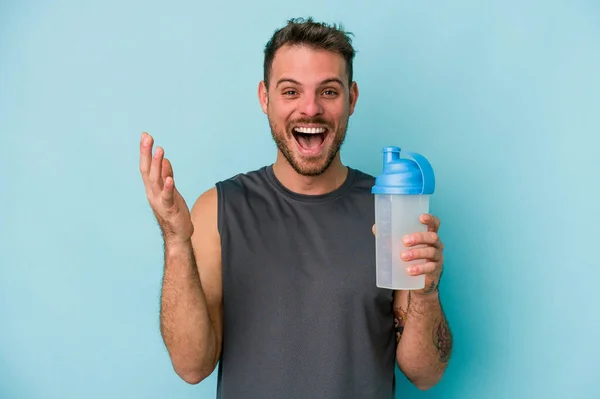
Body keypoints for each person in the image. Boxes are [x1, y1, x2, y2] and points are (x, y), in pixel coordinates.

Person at [139, 17, 453, 399]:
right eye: (290, 92)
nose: (310, 109)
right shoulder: (218, 211)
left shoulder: (389, 209)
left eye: (329, 92)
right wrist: (175, 239)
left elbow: (425, 374)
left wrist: (426, 290)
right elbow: (191, 366)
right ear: (265, 98)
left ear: (351, 99)